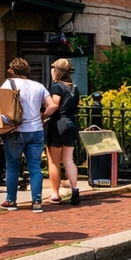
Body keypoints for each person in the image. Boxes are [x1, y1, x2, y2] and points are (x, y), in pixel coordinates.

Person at [0, 58, 50, 212]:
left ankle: (11, 201)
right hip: (36, 131)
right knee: (35, 167)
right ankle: (37, 202)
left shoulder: (8, 84)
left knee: (13, 166)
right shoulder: (39, 86)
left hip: (16, 131)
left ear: (13, 70)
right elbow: (53, 105)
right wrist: (43, 117)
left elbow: (1, 107)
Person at [45, 58, 83, 206]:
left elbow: (54, 105)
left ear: (57, 70)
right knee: (68, 159)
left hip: (57, 124)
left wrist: (43, 115)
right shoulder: (75, 88)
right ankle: (75, 189)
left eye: (53, 68)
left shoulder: (57, 87)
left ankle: (55, 194)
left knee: (54, 161)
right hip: (71, 124)